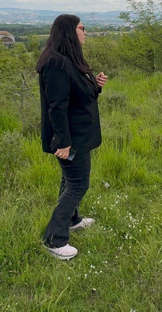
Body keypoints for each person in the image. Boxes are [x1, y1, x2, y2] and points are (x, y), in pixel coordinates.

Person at [37, 14, 108, 260]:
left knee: (70, 180)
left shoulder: (70, 59)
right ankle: (54, 239)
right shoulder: (56, 63)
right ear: (69, 31)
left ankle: (73, 219)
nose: (85, 32)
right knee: (78, 183)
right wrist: (63, 142)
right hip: (71, 137)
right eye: (81, 28)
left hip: (78, 134)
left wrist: (96, 85)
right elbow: (56, 106)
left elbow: (78, 94)